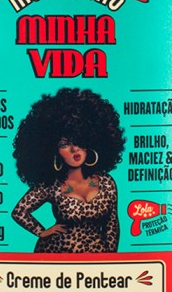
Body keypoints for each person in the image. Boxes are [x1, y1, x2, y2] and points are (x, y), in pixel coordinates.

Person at [11, 87, 126, 253]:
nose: (74, 149)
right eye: (64, 144)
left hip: (96, 258)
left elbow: (112, 223)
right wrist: (42, 232)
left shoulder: (107, 183)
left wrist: (110, 256)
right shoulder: (51, 185)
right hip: (55, 255)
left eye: (79, 140)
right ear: (53, 151)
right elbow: (19, 212)